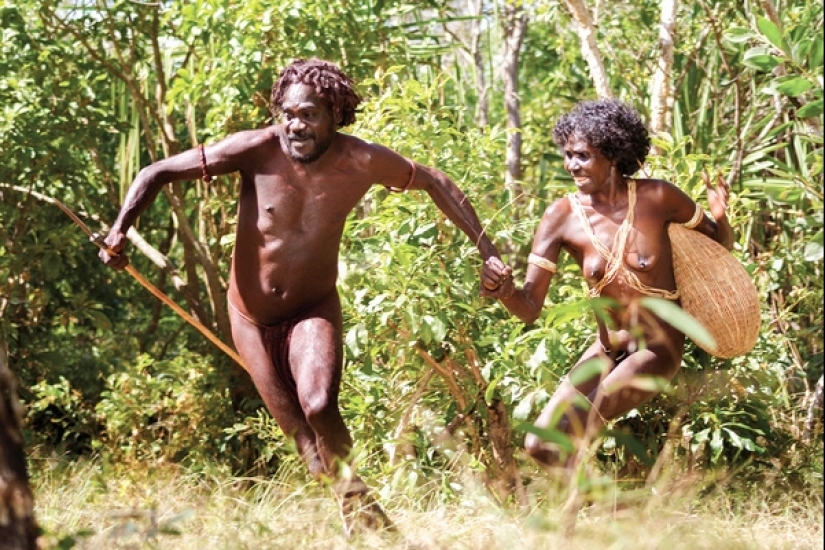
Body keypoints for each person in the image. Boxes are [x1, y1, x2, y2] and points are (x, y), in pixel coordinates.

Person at [99, 58, 505, 534]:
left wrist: (488, 251)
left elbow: (435, 181)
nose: (296, 125)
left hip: (312, 309)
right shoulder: (255, 150)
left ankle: (368, 519)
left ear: (335, 114)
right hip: (249, 318)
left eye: (309, 114)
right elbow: (157, 171)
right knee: (309, 451)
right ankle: (369, 524)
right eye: (289, 113)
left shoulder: (362, 161)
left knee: (318, 404)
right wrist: (119, 231)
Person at [480, 98, 734, 479]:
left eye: (582, 155)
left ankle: (576, 529)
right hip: (606, 347)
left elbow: (720, 248)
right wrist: (504, 291)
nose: (571, 165)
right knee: (539, 445)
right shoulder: (561, 216)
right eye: (567, 155)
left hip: (656, 349)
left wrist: (720, 215)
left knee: (578, 426)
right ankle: (611, 516)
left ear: (613, 153)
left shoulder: (658, 198)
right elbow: (530, 307)